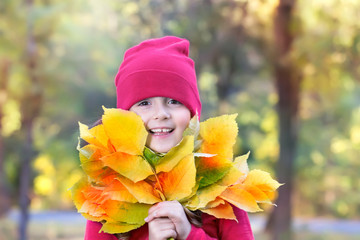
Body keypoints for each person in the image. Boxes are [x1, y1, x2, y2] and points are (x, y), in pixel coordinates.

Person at [84, 36, 254, 240]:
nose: (161, 114)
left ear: (192, 115)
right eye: (144, 103)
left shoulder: (222, 186)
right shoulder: (107, 194)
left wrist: (190, 235)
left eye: (174, 101)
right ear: (124, 119)